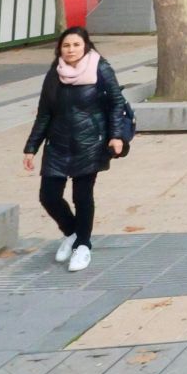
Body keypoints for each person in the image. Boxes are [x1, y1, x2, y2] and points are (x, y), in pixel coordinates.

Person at [22, 26, 125, 273]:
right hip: (57, 144)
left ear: (86, 45)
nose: (71, 50)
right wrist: (31, 147)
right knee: (48, 196)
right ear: (60, 48)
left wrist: (116, 135)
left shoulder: (101, 68)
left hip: (90, 142)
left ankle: (83, 245)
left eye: (76, 45)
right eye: (66, 46)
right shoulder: (54, 73)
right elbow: (44, 113)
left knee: (82, 196)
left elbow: (116, 103)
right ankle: (71, 232)